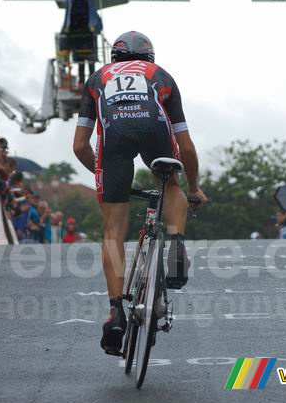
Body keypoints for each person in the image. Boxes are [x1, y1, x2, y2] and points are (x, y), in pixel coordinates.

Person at [72, 30, 207, 355]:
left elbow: (79, 146)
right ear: (150, 57)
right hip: (155, 129)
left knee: (113, 230)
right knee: (169, 182)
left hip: (114, 139)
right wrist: (193, 186)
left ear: (114, 58)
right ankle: (175, 241)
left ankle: (116, 310)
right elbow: (186, 146)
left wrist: (104, 175)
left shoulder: (97, 78)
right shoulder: (161, 76)